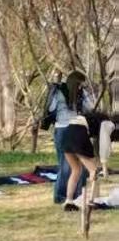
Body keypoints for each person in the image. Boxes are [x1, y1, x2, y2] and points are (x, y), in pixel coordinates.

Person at [47, 71, 94, 206]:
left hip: (61, 129)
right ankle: (76, 195)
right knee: (78, 166)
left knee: (66, 165)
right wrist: (86, 93)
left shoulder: (58, 91)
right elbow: (90, 107)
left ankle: (64, 196)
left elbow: (51, 108)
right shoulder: (80, 93)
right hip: (75, 128)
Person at [60, 107, 99, 214]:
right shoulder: (96, 123)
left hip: (66, 138)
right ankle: (93, 200)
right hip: (78, 138)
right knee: (93, 170)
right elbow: (88, 142)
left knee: (75, 170)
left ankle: (69, 201)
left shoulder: (79, 119)